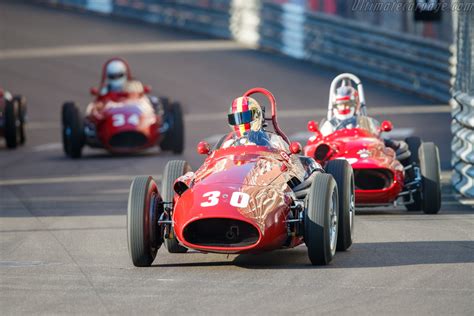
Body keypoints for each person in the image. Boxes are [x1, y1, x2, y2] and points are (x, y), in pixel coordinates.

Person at [320, 79, 410, 161]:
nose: (343, 107)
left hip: (365, 154)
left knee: (398, 149)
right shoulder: (328, 125)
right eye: (340, 104)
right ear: (335, 105)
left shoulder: (364, 122)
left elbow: (375, 138)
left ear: (355, 104)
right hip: (338, 156)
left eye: (347, 104)